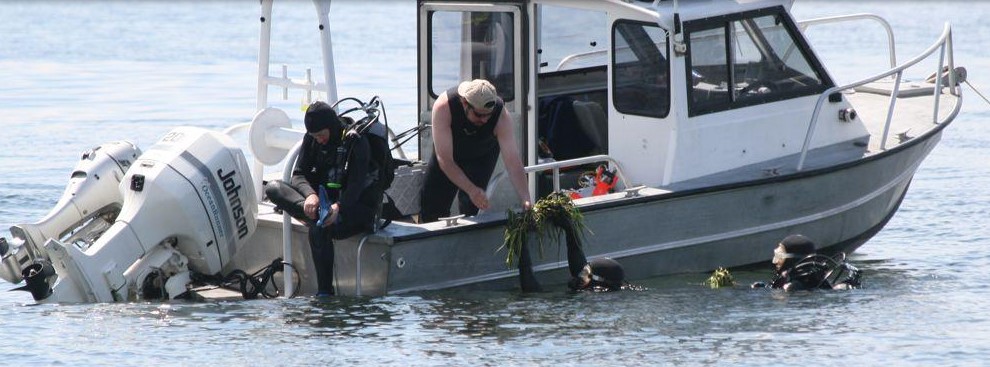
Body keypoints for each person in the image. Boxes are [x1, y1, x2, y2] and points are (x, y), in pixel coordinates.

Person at [264, 101, 383, 296]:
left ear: (331, 127)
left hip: (354, 208)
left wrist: (338, 208)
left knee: (318, 229)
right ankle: (316, 213)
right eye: (314, 136)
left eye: (321, 135)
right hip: (321, 204)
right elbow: (299, 174)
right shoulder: (312, 140)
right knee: (273, 188)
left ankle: (325, 293)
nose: (319, 140)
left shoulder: (356, 143)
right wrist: (310, 197)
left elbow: (357, 186)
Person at [420, 79, 531, 223]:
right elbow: (445, 160)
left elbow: (513, 162)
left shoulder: (501, 115)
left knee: (472, 205)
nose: (484, 120)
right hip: (450, 156)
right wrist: (471, 189)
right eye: (479, 115)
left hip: (481, 155)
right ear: (465, 103)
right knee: (431, 205)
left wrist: (526, 199)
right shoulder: (444, 106)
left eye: (488, 115)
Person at [751, 234, 862, 291]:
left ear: (791, 259)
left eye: (779, 257)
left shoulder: (792, 287)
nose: (775, 261)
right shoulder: (819, 282)